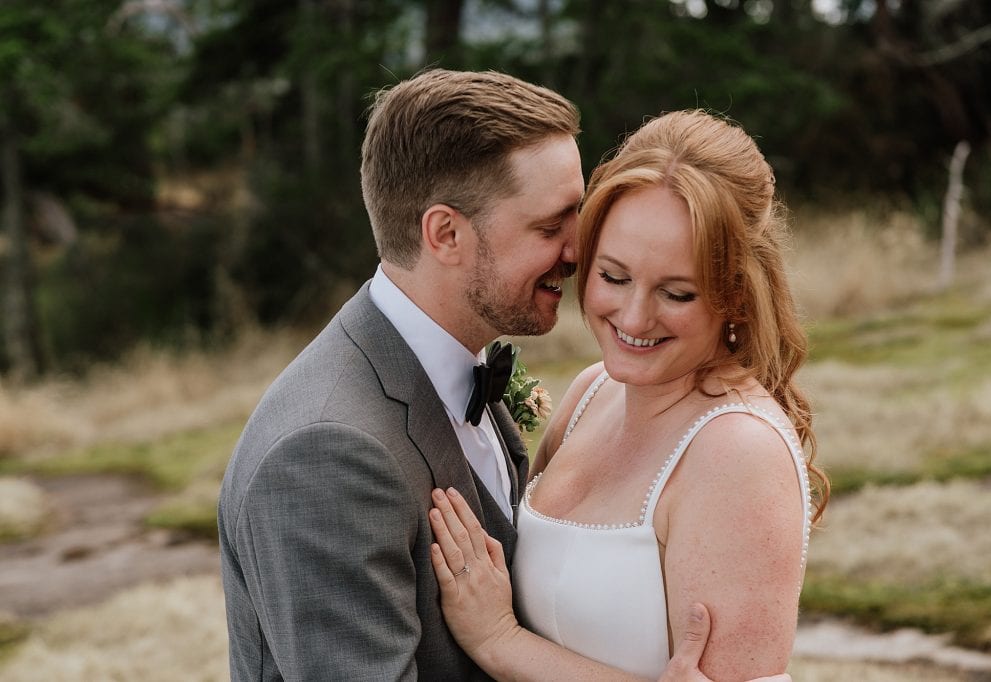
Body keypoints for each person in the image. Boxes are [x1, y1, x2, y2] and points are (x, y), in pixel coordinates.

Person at [429, 109, 830, 681]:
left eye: (677, 292)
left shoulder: (736, 451)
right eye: (614, 277)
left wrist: (497, 640)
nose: (635, 317)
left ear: (737, 295)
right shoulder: (593, 391)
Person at [217, 68, 584, 680]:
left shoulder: (456, 368)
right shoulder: (326, 456)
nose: (576, 252)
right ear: (445, 234)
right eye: (550, 227)